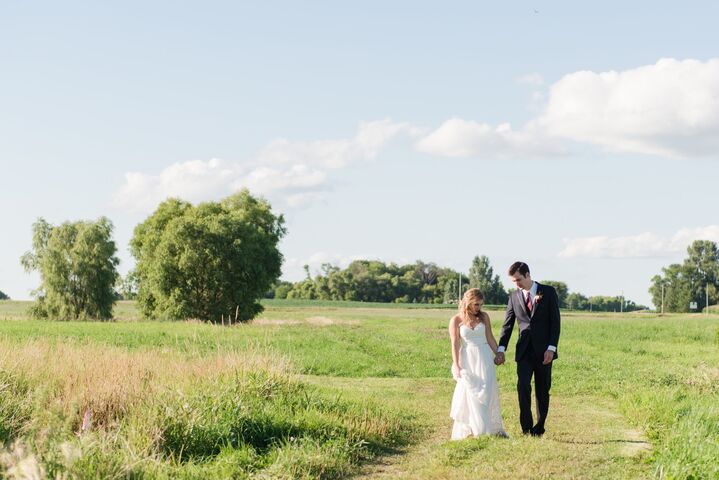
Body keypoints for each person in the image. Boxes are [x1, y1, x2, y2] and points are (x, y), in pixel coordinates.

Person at [495, 261, 561, 437]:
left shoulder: (548, 292)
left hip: (544, 353)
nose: (516, 284)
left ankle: (539, 427)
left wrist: (551, 348)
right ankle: (526, 428)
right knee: (522, 386)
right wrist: (501, 349)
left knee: (542, 390)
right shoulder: (513, 297)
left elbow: (555, 323)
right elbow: (507, 326)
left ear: (527, 275)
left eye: (518, 280)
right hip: (523, 352)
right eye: (513, 281)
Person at [449, 288, 507, 439]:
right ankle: (474, 429)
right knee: (471, 392)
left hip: (485, 357)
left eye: (480, 305)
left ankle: (486, 428)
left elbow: (490, 338)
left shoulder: (484, 317)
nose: (478, 308)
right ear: (467, 302)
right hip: (468, 358)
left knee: (486, 391)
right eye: (476, 304)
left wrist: (499, 353)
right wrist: (456, 365)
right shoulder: (456, 320)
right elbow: (455, 343)